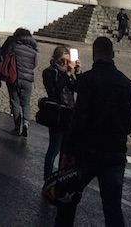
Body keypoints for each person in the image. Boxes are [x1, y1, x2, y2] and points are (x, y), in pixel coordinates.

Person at [55, 36, 131, 227]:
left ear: (94, 55)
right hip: (115, 153)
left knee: (69, 200)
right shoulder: (128, 84)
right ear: (113, 54)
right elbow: (130, 126)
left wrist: (68, 151)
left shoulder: (89, 80)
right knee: (113, 208)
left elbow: (79, 119)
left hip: (88, 152)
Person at [42, 45, 79, 180]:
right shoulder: (49, 72)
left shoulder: (67, 73)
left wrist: (77, 72)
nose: (64, 64)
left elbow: (78, 88)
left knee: (65, 152)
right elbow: (54, 91)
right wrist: (67, 74)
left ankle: (60, 180)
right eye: (62, 61)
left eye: (67, 61)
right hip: (57, 116)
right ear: (55, 59)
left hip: (69, 115)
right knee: (54, 149)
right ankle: (47, 178)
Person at [0, 26, 38, 136]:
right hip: (28, 80)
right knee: (26, 103)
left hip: (14, 77)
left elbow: (5, 55)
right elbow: (34, 64)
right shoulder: (33, 49)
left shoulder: (14, 46)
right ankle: (26, 123)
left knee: (15, 102)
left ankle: (17, 127)